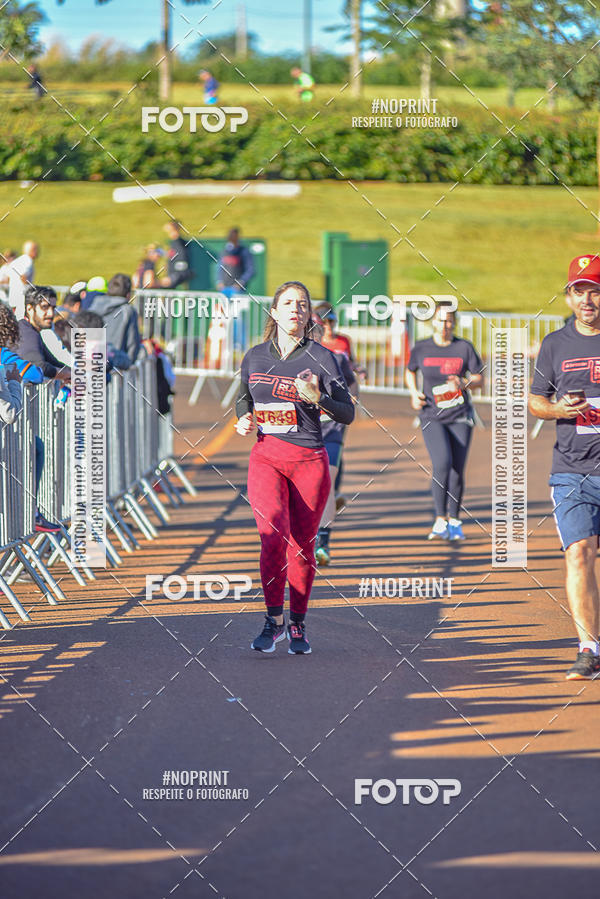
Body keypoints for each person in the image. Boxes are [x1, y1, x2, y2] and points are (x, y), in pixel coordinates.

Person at [236, 281, 354, 654]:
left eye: (302, 305)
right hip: (266, 457)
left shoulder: (323, 357)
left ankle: (298, 625)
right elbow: (244, 397)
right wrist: (244, 419)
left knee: (302, 546)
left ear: (309, 316)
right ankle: (272, 621)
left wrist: (320, 398)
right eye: (288, 303)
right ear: (273, 312)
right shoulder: (254, 356)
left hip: (308, 461)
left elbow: (348, 412)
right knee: (272, 534)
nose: (296, 309)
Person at [529, 254, 600, 680]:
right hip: (572, 469)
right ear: (568, 296)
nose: (587, 299)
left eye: (594, 290)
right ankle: (589, 648)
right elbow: (536, 401)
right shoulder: (555, 344)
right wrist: (559, 408)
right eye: (579, 291)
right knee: (579, 553)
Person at [406, 304, 484, 541]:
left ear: (454, 323)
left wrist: (465, 384)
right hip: (431, 415)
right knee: (442, 463)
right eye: (440, 320)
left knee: (457, 470)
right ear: (432, 322)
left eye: (449, 321)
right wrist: (413, 393)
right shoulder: (421, 347)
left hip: (460, 415)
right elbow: (410, 370)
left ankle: (455, 520)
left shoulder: (463, 347)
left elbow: (480, 378)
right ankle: (440, 519)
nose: (444, 325)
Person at [14, 286, 69, 533]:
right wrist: (65, 374)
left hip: (13, 413)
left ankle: (29, 512)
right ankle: (29, 513)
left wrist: (74, 373)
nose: (50, 313)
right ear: (29, 309)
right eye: (45, 307)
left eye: (53, 307)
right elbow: (37, 366)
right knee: (33, 449)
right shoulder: (26, 332)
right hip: (10, 415)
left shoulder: (33, 332)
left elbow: (52, 362)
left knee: (35, 448)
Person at [311, 316, 358, 566]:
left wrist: (349, 404)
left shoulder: (337, 359)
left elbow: (352, 383)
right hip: (303, 432)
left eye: (317, 332)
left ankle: (323, 542)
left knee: (326, 480)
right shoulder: (291, 362)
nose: (315, 336)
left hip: (331, 428)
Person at [87, 273, 141, 364]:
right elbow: (133, 343)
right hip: (117, 365)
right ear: (128, 295)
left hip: (92, 364)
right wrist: (129, 363)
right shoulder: (128, 311)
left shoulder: (92, 307)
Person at [216, 228, 254, 296]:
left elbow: (251, 270)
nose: (232, 239)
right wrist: (219, 281)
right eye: (231, 236)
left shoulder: (244, 251)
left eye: (234, 236)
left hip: (237, 290)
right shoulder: (224, 251)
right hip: (223, 289)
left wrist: (241, 282)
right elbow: (220, 268)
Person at [8, 241, 38, 320]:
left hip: (13, 298)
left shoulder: (17, 261)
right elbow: (23, 276)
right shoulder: (28, 261)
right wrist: (30, 290)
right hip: (21, 300)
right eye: (36, 250)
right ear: (33, 250)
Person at [161, 221, 192, 289]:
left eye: (170, 231)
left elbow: (182, 259)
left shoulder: (179, 243)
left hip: (178, 274)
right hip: (173, 274)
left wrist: (176, 275)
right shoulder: (174, 243)